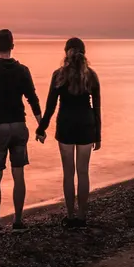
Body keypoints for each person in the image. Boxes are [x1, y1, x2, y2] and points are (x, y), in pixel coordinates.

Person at [0, 29, 42, 236]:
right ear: (12, 46)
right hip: (18, 126)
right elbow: (33, 99)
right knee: (18, 173)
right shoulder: (22, 70)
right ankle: (18, 220)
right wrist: (41, 125)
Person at [37, 37, 101, 227]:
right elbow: (97, 108)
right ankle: (82, 217)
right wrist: (98, 135)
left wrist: (41, 129)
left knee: (68, 173)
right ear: (84, 53)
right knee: (83, 172)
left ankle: (71, 216)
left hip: (65, 126)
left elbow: (50, 106)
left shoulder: (59, 75)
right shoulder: (92, 76)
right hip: (86, 127)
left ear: (66, 53)